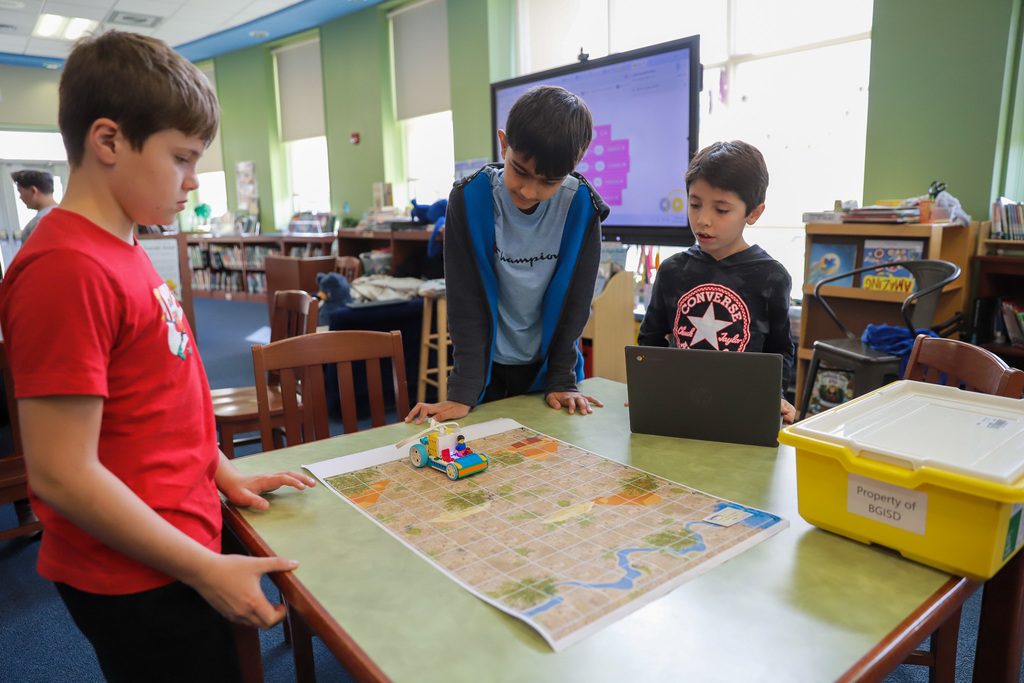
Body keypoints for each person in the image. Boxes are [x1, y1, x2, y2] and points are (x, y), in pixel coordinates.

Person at [0, 31, 317, 682]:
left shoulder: (123, 244)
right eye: (182, 158)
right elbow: (61, 474)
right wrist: (204, 569)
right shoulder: (65, 268)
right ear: (109, 141)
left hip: (179, 535)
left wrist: (219, 470)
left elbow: (158, 399)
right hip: (139, 574)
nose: (193, 181)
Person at [406, 85, 610, 425]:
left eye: (549, 182)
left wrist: (562, 379)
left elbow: (576, 304)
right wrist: (463, 389)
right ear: (503, 144)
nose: (529, 191)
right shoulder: (470, 200)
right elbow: (466, 301)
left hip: (550, 375)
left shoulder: (581, 207)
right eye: (520, 171)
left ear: (573, 166)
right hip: (485, 374)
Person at [637, 140, 797, 424]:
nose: (703, 220)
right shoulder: (672, 270)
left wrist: (776, 395)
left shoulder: (772, 276)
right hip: (677, 406)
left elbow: (780, 350)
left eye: (721, 210)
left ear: (754, 213)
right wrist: (649, 385)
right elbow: (650, 339)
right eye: (695, 204)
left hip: (741, 409)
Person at [10, 170, 58, 242]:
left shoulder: (40, 221)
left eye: (20, 192)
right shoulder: (65, 214)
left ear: (33, 191)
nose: (20, 197)